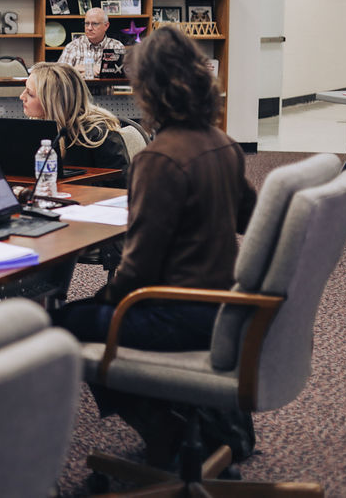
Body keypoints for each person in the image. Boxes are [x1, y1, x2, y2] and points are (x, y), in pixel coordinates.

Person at [51, 27, 257, 463]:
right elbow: (250, 218)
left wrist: (100, 300)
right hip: (226, 306)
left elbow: (137, 270)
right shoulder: (225, 145)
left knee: (64, 323)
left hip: (178, 312)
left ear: (149, 89)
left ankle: (171, 437)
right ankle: (206, 420)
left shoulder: (158, 158)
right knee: (89, 312)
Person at [19, 61, 128, 189]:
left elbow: (118, 186)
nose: (22, 96)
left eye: (30, 94)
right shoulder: (37, 128)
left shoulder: (99, 133)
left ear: (53, 101)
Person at [57, 8, 125, 79]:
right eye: (86, 23)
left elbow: (123, 75)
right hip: (80, 90)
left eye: (94, 24)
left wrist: (78, 70)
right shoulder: (73, 47)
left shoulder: (117, 46)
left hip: (107, 90)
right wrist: (89, 69)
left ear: (106, 26)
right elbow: (59, 75)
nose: (89, 28)